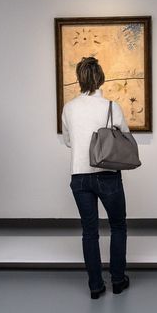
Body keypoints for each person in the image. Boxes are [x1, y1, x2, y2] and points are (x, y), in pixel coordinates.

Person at [61, 57, 131, 299]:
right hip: (107, 175)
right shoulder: (111, 106)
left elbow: (69, 141)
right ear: (100, 77)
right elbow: (125, 137)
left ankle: (95, 285)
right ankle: (119, 280)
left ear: (79, 79)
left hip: (79, 176)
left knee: (89, 232)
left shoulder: (69, 107)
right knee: (118, 226)